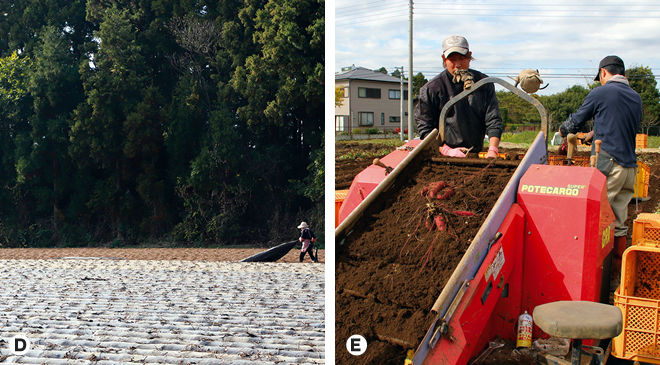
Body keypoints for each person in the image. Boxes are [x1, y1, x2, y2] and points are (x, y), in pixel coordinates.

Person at [558, 55, 642, 283]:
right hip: (629, 168)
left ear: (604, 72)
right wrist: (594, 134)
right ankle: (614, 280)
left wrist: (563, 130)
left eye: (600, 78)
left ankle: (591, 279)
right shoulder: (635, 97)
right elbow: (619, 124)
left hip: (608, 163)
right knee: (618, 224)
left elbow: (576, 121)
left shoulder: (601, 92)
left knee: (596, 220)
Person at [415, 35, 503, 158]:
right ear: (444, 59)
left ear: (469, 56)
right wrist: (446, 150)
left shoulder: (483, 84)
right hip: (442, 156)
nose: (458, 65)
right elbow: (425, 127)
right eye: (452, 59)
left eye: (462, 58)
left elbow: (493, 119)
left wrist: (493, 150)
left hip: (474, 154)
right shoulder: (432, 88)